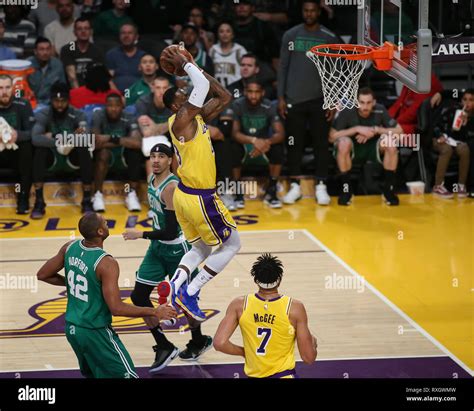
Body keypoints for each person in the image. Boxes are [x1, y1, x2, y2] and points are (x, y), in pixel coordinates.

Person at [36, 212, 177, 378]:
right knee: (129, 376)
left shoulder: (69, 247)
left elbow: (43, 274)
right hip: (95, 331)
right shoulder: (106, 263)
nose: (108, 222)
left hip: (72, 329)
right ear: (100, 232)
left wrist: (76, 283)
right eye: (105, 222)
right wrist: (154, 311)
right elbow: (117, 308)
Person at [158, 46, 241, 321]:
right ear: (174, 106)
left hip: (185, 195)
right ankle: (191, 291)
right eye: (183, 97)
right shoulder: (182, 120)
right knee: (231, 245)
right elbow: (203, 86)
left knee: (200, 248)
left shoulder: (194, 118)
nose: (189, 96)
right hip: (200, 197)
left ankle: (174, 285)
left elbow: (224, 95)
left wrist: (196, 66)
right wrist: (186, 63)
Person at [123, 143, 213, 372]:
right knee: (139, 296)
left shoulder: (171, 187)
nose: (155, 160)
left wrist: (139, 233)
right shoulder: (151, 179)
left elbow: (171, 232)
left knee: (185, 299)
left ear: (170, 160)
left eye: (161, 156)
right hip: (157, 248)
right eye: (153, 156)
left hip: (177, 250)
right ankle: (163, 345)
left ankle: (198, 340)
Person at [213, 253, 317, 378]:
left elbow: (219, 343)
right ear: (279, 279)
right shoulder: (294, 308)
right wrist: (313, 343)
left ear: (256, 280)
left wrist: (245, 352)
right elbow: (308, 358)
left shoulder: (239, 305)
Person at [279, 0, 339, 206]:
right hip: (294, 99)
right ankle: (295, 185)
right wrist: (280, 97)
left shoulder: (329, 37)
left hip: (320, 100)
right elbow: (283, 68)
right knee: (294, 144)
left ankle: (321, 186)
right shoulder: (290, 35)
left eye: (313, 10)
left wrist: (333, 100)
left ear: (319, 12)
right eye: (306, 10)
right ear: (302, 12)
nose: (309, 13)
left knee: (321, 145)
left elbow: (335, 73)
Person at [329, 87, 403, 206]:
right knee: (343, 143)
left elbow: (399, 131)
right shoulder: (347, 111)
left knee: (391, 143)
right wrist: (356, 129)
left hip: (373, 148)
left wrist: (376, 130)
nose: (365, 106)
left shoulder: (380, 110)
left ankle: (388, 190)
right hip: (352, 148)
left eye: (369, 103)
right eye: (362, 102)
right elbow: (332, 137)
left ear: (373, 102)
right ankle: (346, 190)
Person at [31, 82, 94, 218]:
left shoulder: (78, 114)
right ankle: (39, 201)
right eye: (56, 101)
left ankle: (87, 200)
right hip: (52, 157)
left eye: (63, 101)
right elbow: (36, 138)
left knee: (84, 149)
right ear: (51, 100)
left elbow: (86, 137)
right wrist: (69, 137)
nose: (59, 105)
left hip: (72, 157)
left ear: (68, 101)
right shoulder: (43, 114)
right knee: (39, 151)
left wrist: (54, 136)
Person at [232, 78, 285, 209]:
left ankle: (271, 192)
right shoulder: (238, 105)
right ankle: (238, 193)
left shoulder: (269, 106)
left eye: (256, 92)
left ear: (263, 93)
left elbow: (280, 133)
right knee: (231, 148)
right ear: (244, 92)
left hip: (264, 146)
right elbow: (235, 133)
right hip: (244, 143)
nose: (253, 95)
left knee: (278, 148)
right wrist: (254, 141)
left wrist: (265, 142)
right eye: (250, 91)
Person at [91, 92, 143, 212]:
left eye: (117, 106)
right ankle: (97, 194)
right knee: (103, 153)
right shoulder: (98, 115)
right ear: (105, 106)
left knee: (134, 152)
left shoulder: (129, 117)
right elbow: (94, 142)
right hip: (106, 154)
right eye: (110, 106)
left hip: (123, 154)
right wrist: (124, 141)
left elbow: (137, 143)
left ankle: (131, 194)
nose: (113, 109)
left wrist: (109, 138)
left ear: (122, 106)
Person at [0, 74, 34, 214]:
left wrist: (17, 135)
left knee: (27, 147)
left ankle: (23, 198)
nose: (4, 91)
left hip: (16, 152)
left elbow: (32, 132)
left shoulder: (23, 104)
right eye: (0, 88)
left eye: (8, 87)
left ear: (13, 88)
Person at [430, 89, 472, 199]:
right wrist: (440, 135)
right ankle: (438, 186)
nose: (467, 103)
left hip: (456, 141)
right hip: (440, 138)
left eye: (471, 100)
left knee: (464, 149)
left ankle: (461, 185)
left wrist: (465, 125)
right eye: (464, 100)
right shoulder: (453, 110)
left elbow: (464, 138)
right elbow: (436, 125)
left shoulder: (470, 118)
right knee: (447, 149)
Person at [135, 76, 173, 176]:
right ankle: (153, 190)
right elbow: (146, 132)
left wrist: (154, 126)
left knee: (178, 150)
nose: (161, 92)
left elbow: (179, 125)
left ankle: (177, 189)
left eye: (164, 88)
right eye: (158, 88)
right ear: (152, 88)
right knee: (151, 150)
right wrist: (169, 124)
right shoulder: (143, 102)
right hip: (149, 141)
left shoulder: (174, 103)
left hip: (171, 138)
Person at [60, 17, 106, 89]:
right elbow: (72, 78)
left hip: (94, 90)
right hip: (74, 90)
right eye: (79, 29)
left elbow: (100, 76)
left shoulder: (98, 50)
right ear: (74, 32)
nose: (83, 31)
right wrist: (79, 95)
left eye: (86, 28)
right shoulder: (67, 49)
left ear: (91, 32)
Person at [232, 0, 279, 70]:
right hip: (233, 69)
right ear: (234, 8)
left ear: (252, 8)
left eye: (245, 4)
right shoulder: (227, 27)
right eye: (238, 4)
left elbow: (275, 55)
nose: (241, 7)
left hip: (259, 70)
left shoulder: (263, 27)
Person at [106, 23, 146, 92]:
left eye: (130, 33)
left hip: (139, 95)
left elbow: (148, 80)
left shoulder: (144, 56)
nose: (126, 36)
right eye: (123, 33)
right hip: (117, 96)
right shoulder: (111, 54)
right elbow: (109, 80)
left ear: (136, 37)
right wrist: (118, 96)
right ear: (119, 36)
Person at [174, 23, 214, 90]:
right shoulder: (173, 55)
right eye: (186, 32)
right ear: (181, 35)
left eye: (192, 33)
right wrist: (174, 82)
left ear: (197, 37)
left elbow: (211, 82)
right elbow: (166, 77)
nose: (188, 36)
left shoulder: (205, 58)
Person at [27, 37, 66, 105]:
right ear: (35, 51)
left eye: (48, 49)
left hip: (51, 104)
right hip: (30, 103)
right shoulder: (27, 64)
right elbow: (19, 89)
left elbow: (63, 88)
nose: (45, 52)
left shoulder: (58, 65)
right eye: (41, 49)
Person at [209, 22, 247, 88]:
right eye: (221, 31)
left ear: (232, 35)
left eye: (228, 31)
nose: (225, 34)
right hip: (218, 90)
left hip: (236, 89)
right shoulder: (213, 50)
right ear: (218, 35)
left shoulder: (240, 50)